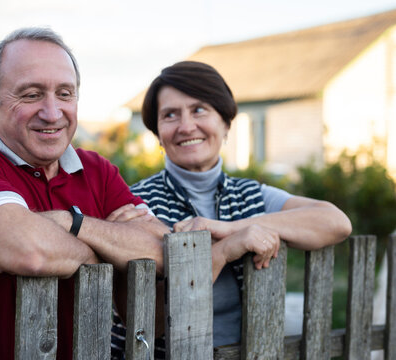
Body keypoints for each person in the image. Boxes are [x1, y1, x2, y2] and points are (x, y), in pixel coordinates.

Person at [0, 27, 168, 360]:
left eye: (65, 93)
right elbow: (31, 253)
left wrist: (70, 223)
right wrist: (112, 248)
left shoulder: (98, 171)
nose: (52, 113)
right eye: (31, 94)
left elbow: (162, 253)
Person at [110, 61, 352, 359]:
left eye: (199, 109)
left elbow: (336, 223)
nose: (186, 126)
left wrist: (229, 228)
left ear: (226, 123)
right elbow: (145, 321)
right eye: (170, 115)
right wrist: (224, 251)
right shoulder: (137, 204)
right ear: (158, 134)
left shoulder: (249, 194)